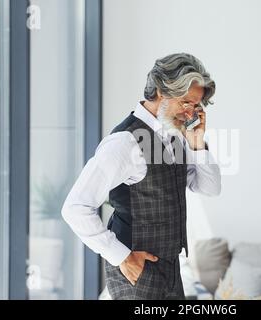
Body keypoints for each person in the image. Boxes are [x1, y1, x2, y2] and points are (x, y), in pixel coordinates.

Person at [62, 53, 221, 299]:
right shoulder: (124, 142)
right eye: (185, 102)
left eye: (196, 105)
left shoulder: (175, 135)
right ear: (160, 91)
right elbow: (75, 207)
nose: (191, 114)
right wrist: (122, 257)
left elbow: (210, 188)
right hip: (136, 275)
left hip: (171, 272)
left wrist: (197, 142)